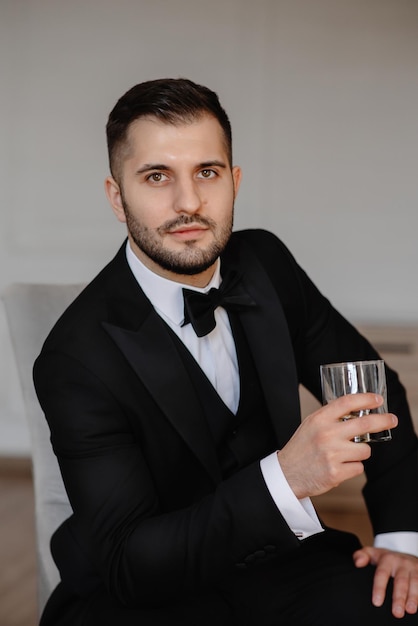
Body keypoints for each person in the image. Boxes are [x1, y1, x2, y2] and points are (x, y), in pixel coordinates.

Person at [33, 77, 418, 626]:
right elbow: (130, 564)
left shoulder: (265, 263)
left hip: (284, 561)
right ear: (117, 197)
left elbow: (374, 389)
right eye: (157, 176)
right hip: (145, 591)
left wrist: (403, 540)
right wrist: (287, 478)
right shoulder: (73, 357)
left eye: (206, 173)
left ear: (234, 181)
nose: (188, 202)